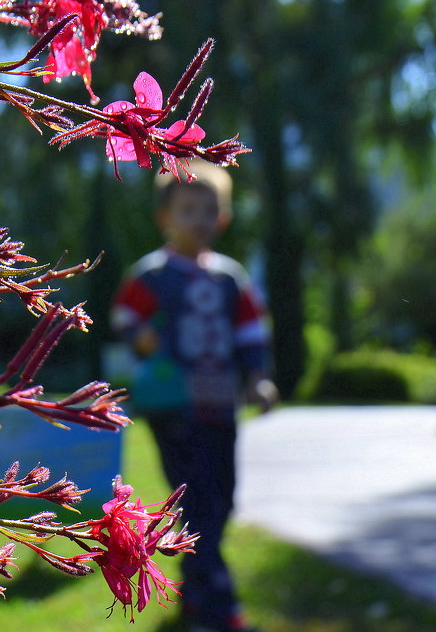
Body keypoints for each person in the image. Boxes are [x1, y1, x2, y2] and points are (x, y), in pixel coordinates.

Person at [110, 163, 277, 632]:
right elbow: (123, 316)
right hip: (172, 406)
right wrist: (140, 334)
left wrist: (259, 377)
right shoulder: (153, 275)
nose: (199, 219)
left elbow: (250, 332)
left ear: (222, 218)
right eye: (188, 210)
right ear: (165, 216)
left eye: (209, 210)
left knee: (220, 501)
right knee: (200, 500)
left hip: (220, 404)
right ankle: (218, 610)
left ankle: (194, 595)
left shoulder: (231, 278)